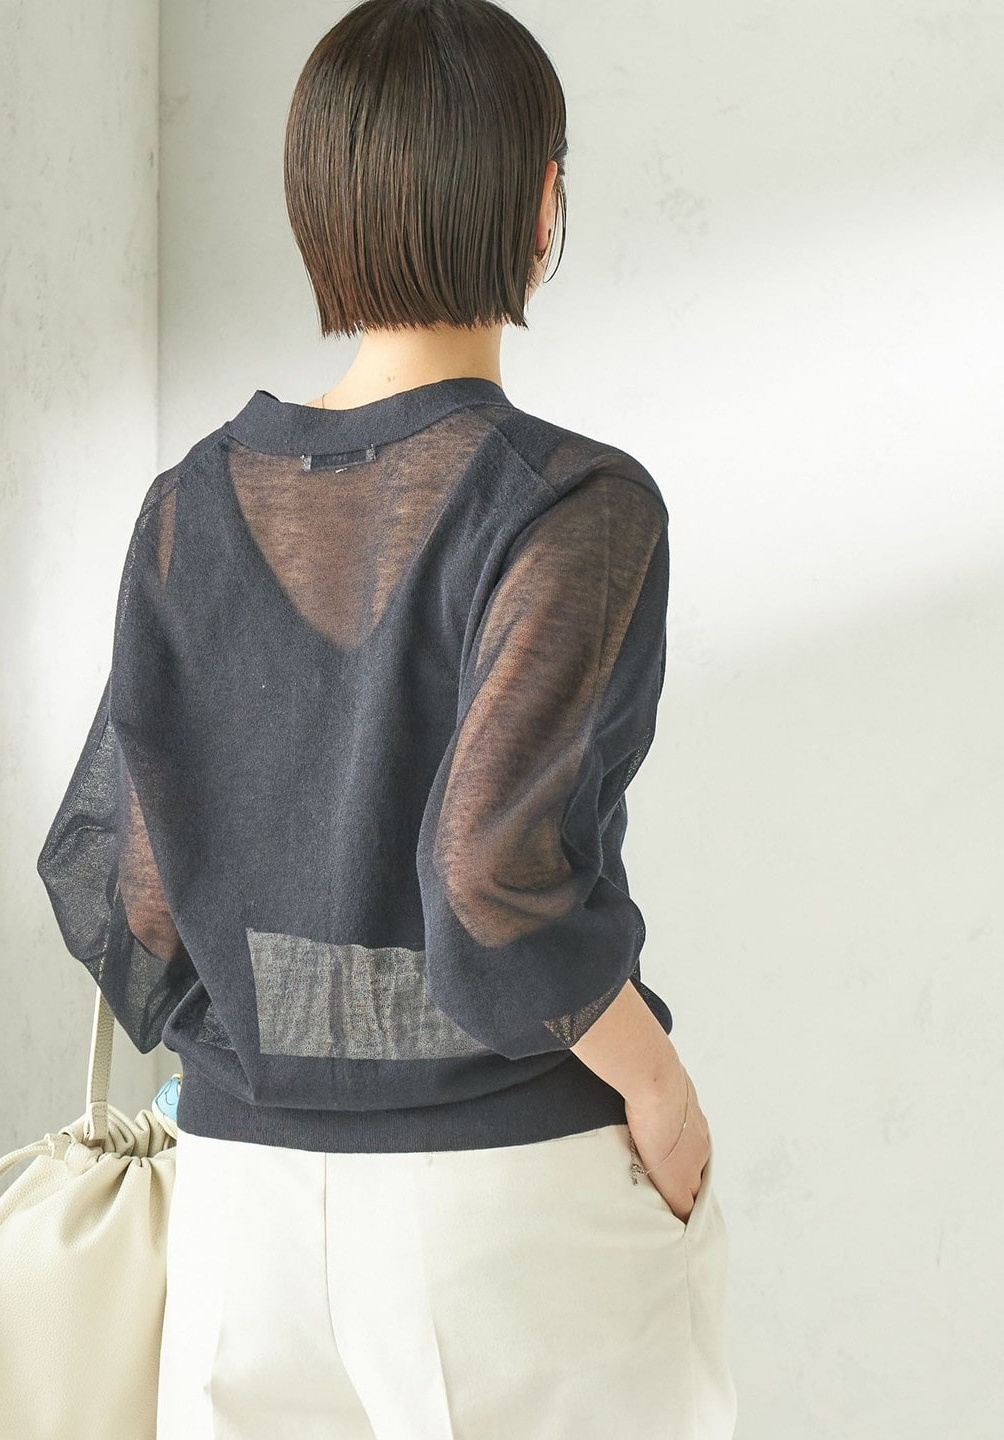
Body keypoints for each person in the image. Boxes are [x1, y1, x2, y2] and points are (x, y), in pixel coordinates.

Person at [36, 1, 737, 1435]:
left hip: (241, 1212)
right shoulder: (570, 507)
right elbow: (492, 885)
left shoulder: (187, 509)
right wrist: (662, 1094)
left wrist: (269, 1054)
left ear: (319, 209)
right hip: (510, 1200)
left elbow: (130, 892)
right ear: (540, 206)